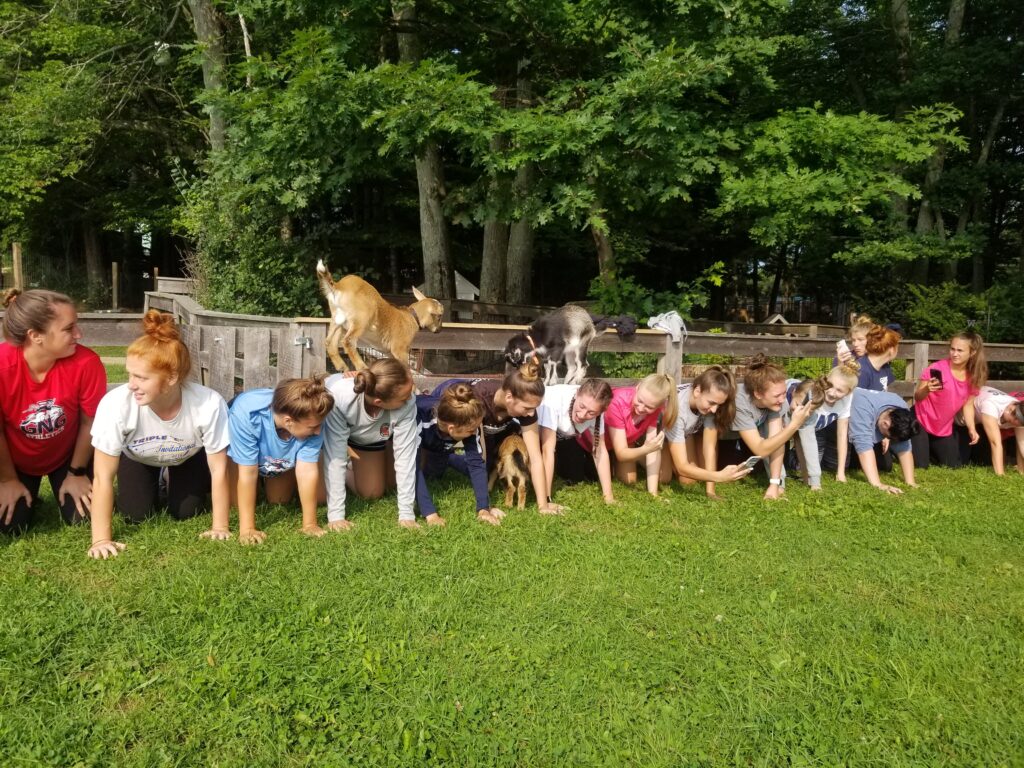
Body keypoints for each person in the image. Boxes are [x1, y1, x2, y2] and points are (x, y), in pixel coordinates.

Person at [88, 310, 230, 559]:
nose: (131, 384)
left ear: (172, 377)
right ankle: (156, 482)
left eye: (141, 377)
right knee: (135, 515)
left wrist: (220, 527)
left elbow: (219, 469)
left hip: (187, 456)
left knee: (187, 512)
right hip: (137, 457)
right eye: (130, 373)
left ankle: (171, 481)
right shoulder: (115, 404)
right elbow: (101, 476)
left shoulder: (208, 403)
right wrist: (101, 540)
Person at [0, 289, 106, 534]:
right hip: (14, 461)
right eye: (69, 329)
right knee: (10, 527)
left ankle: (63, 483)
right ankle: (26, 492)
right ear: (35, 335)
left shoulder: (86, 363)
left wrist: (76, 472)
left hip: (67, 456)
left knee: (84, 518)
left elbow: (90, 422)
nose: (78, 334)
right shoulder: (3, 366)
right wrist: (7, 479)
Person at [432, 363, 562, 514]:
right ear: (509, 397)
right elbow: (476, 459)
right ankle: (449, 458)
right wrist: (486, 508)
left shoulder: (526, 408)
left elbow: (535, 458)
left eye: (535, 408)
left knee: (487, 470)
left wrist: (543, 505)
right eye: (527, 408)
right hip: (450, 406)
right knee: (432, 471)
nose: (532, 414)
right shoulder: (479, 401)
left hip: (489, 429)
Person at [227, 376, 334, 542]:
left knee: (280, 500)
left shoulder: (313, 416)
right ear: (288, 421)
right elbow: (247, 472)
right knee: (235, 505)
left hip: (276, 457)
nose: (319, 432)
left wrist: (310, 524)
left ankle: (271, 474)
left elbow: (307, 470)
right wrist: (247, 529)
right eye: (313, 427)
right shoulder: (246, 414)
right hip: (240, 460)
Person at [322, 358, 418, 529]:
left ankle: (354, 465)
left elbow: (406, 457)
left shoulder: (408, 402)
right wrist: (336, 516)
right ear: (378, 402)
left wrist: (407, 514)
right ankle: (323, 462)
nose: (410, 397)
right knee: (319, 497)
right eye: (404, 397)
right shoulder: (340, 397)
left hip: (369, 436)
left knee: (373, 492)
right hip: (338, 429)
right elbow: (336, 454)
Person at [704, 355, 815, 500]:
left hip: (747, 433)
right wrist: (794, 425)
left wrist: (775, 485)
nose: (783, 399)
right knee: (691, 480)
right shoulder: (740, 403)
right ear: (758, 394)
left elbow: (776, 441)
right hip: (720, 435)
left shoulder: (778, 402)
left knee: (754, 470)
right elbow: (761, 450)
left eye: (784, 393)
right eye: (777, 395)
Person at [415, 382, 502, 525]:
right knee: (382, 488)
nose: (474, 432)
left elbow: (476, 464)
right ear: (451, 428)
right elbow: (411, 467)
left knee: (433, 475)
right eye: (471, 430)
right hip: (393, 441)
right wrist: (430, 514)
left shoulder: (466, 424)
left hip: (437, 444)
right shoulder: (420, 418)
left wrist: (484, 508)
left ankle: (447, 456)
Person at [659, 366, 750, 492]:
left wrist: (710, 490)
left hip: (685, 434)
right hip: (658, 437)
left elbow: (709, 448)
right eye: (711, 403)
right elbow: (682, 467)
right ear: (697, 391)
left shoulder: (708, 404)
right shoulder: (678, 410)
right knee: (664, 477)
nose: (714, 410)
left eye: (719, 405)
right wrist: (718, 476)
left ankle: (672, 456)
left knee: (689, 481)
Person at [911, 330, 987, 469]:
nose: (954, 353)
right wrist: (927, 388)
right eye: (952, 349)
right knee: (920, 465)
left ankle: (928, 448)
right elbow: (917, 397)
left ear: (972, 352)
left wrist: (972, 429)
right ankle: (904, 443)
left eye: (960, 350)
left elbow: (968, 405)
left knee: (954, 465)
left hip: (943, 427)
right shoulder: (936, 368)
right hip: (921, 419)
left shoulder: (974, 376)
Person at [536, 379, 615, 504]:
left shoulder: (597, 412)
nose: (583, 415)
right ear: (577, 394)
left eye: (591, 413)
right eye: (582, 406)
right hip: (524, 430)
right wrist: (547, 500)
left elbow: (600, 450)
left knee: (576, 476)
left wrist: (609, 496)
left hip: (562, 436)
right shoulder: (555, 400)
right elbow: (548, 451)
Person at [785, 361, 859, 491]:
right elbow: (799, 432)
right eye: (830, 386)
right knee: (798, 460)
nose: (831, 393)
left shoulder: (847, 400)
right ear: (825, 381)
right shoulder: (812, 394)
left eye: (840, 390)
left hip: (813, 428)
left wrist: (840, 472)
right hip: (789, 409)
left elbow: (842, 434)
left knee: (825, 464)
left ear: (848, 393)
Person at [602, 373, 678, 498]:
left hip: (626, 443)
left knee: (660, 477)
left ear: (659, 406)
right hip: (599, 443)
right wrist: (646, 449)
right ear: (637, 387)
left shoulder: (657, 409)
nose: (641, 408)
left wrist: (653, 493)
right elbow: (622, 453)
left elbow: (652, 446)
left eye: (649, 407)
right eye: (640, 401)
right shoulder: (617, 401)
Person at [848, 387, 920, 493]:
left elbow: (904, 446)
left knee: (885, 466)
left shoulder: (901, 407)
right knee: (841, 464)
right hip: (836, 429)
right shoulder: (863, 406)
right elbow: (863, 444)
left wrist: (910, 482)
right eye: (890, 437)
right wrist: (878, 484)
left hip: (867, 429)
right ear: (885, 424)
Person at [963, 386, 1023, 476]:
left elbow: (1021, 443)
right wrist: (1001, 475)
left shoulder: (1020, 409)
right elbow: (995, 442)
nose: (1010, 415)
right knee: (956, 463)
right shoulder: (991, 406)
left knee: (984, 462)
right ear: (1015, 404)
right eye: (1013, 412)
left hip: (979, 424)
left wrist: (1021, 469)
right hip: (958, 420)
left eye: (1017, 418)